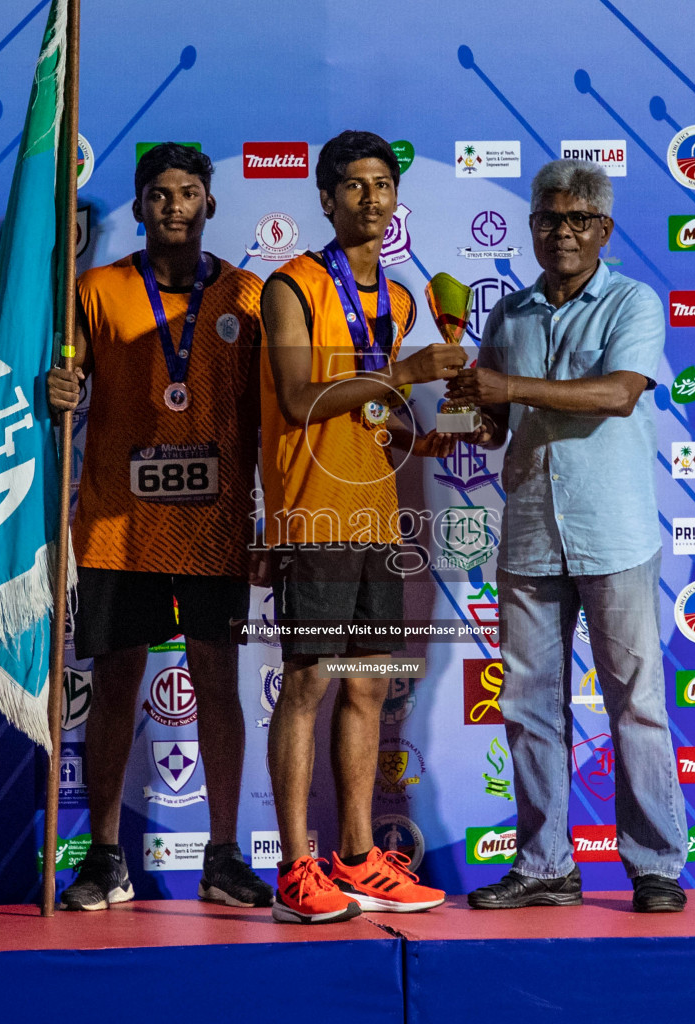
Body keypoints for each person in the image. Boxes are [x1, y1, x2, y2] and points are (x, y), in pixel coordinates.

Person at [449, 158, 688, 913]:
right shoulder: (509, 314)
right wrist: (466, 415)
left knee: (636, 702)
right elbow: (492, 425)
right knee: (527, 705)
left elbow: (618, 395)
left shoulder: (634, 302)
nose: (564, 233)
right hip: (527, 532)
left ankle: (655, 866)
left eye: (580, 220)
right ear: (531, 228)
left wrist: (509, 389)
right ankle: (546, 864)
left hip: (613, 533)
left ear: (604, 230)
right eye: (550, 218)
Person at [47, 142, 272, 912]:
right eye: (158, 193)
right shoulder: (97, 290)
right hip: (119, 524)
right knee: (114, 685)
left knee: (218, 684)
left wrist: (271, 522)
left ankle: (222, 854)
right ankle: (105, 857)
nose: (173, 205)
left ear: (209, 204)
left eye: (187, 192)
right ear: (139, 207)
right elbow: (63, 378)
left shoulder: (248, 295)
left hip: (213, 526)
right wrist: (61, 385)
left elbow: (271, 417)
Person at [259, 130, 461, 923]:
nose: (370, 197)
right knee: (308, 682)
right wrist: (404, 373)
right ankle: (294, 869)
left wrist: (446, 424)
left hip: (378, 513)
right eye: (353, 185)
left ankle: (352, 858)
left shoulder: (402, 298)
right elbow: (299, 398)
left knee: (370, 686)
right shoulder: (292, 285)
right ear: (325, 196)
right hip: (313, 514)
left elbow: (373, 412)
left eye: (382, 183)